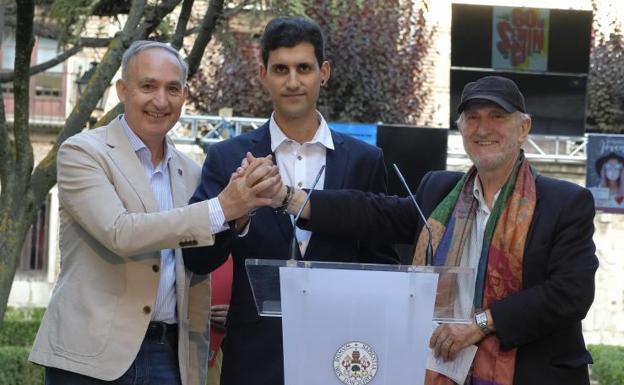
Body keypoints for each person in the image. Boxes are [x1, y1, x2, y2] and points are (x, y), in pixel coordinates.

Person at [271, 76, 598, 385]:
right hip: (444, 370)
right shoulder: (441, 192)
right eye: (472, 118)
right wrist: (290, 198)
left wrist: (481, 324)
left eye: (497, 116)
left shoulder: (564, 202)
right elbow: (375, 212)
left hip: (531, 373)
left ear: (523, 127)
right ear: (461, 129)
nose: (483, 128)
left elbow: (570, 294)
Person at [29, 40, 280, 385]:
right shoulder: (82, 152)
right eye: (148, 86)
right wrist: (222, 206)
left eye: (172, 89)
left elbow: (194, 260)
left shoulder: (193, 172)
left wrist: (238, 213)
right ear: (122, 90)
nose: (160, 101)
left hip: (169, 356)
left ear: (184, 95)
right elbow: (121, 233)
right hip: (88, 359)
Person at [183, 16, 398, 385]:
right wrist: (235, 211)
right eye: (281, 69)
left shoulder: (366, 160)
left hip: (344, 358)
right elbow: (197, 258)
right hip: (254, 360)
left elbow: (384, 267)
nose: (293, 81)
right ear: (264, 73)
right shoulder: (227, 157)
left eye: (304, 68)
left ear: (324, 72)